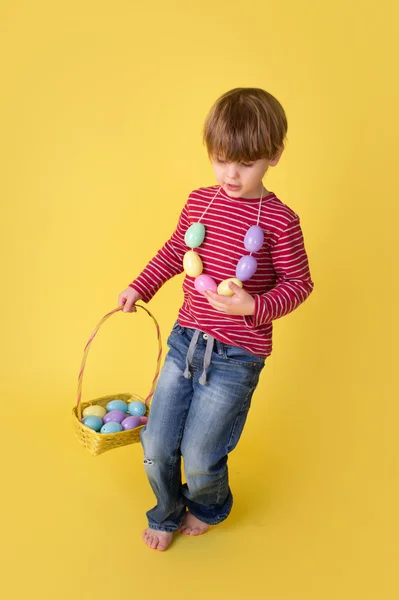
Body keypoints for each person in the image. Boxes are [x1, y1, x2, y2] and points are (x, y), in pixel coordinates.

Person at [118, 87, 314, 551]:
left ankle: (207, 505)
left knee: (202, 453)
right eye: (222, 158)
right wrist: (140, 286)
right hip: (187, 340)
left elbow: (299, 284)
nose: (231, 172)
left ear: (275, 156)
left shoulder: (281, 221)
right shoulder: (199, 203)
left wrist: (254, 306)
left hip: (236, 356)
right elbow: (173, 252)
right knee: (156, 444)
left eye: (245, 163)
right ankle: (166, 512)